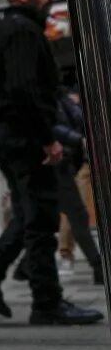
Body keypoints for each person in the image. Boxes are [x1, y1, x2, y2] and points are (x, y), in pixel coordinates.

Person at [0, 0, 103, 325]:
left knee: (30, 213)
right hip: (25, 137)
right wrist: (48, 138)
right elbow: (24, 89)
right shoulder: (23, 31)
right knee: (41, 218)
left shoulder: (3, 31)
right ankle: (47, 302)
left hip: (11, 135)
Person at [54, 87, 104, 284]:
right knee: (76, 213)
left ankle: (96, 265)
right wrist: (79, 141)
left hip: (82, 159)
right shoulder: (64, 101)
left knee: (75, 214)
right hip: (79, 162)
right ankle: (69, 256)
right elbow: (58, 128)